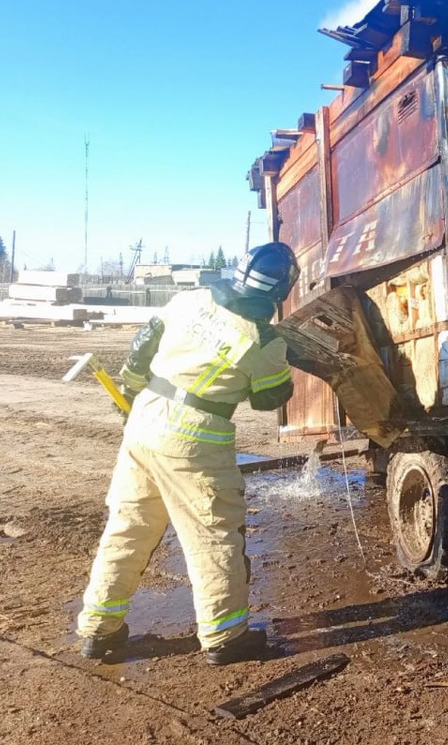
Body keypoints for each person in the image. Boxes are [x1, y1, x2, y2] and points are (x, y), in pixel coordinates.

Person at [76, 242, 299, 666]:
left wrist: (129, 394)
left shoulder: (190, 300)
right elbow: (269, 399)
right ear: (281, 290)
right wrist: (285, 362)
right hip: (195, 440)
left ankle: (98, 629)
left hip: (144, 420)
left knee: (128, 527)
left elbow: (142, 347)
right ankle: (225, 637)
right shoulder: (263, 340)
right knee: (213, 535)